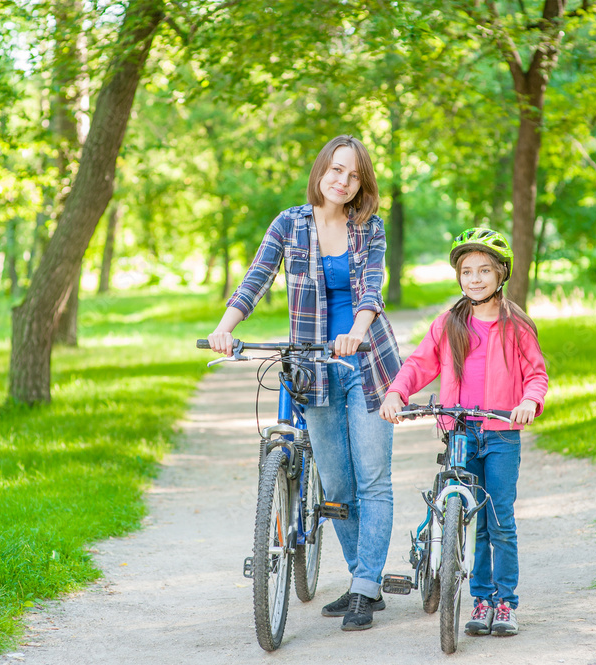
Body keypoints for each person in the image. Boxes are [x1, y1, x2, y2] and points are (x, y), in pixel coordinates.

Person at [207, 135, 402, 631]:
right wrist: (225, 328)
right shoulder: (290, 222)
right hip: (312, 366)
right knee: (337, 483)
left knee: (373, 476)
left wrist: (354, 336)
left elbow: (370, 289)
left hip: (366, 362)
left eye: (353, 174)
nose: (342, 179)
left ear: (361, 183)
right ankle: (366, 579)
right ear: (321, 171)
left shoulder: (368, 228)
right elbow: (257, 277)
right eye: (336, 169)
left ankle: (364, 586)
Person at [379, 227, 548, 637]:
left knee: (499, 520)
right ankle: (480, 597)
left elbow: (536, 375)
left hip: (501, 434)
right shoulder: (449, 323)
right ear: (458, 276)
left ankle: (505, 603)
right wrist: (397, 392)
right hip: (460, 432)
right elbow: (419, 363)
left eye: (484, 271)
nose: (475, 278)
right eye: (467, 271)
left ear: (501, 274)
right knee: (469, 517)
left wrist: (528, 401)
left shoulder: (516, 326)